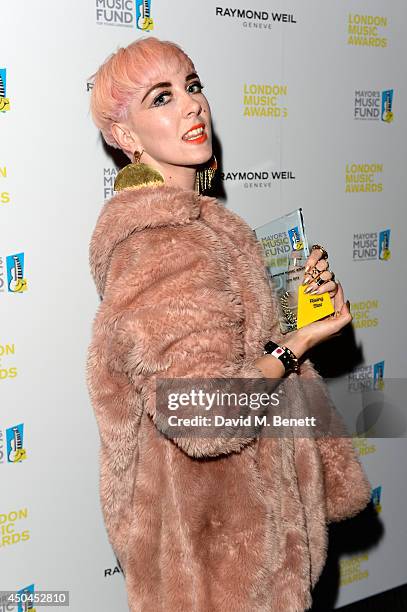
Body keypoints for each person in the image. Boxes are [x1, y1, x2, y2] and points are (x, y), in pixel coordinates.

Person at [87, 37, 371, 612]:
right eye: (160, 98)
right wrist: (298, 343)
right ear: (125, 137)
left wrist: (296, 317)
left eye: (191, 87)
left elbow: (232, 359)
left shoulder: (209, 228)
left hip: (241, 543)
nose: (192, 106)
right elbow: (203, 418)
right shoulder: (163, 243)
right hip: (221, 565)